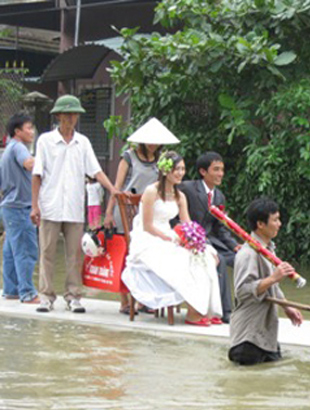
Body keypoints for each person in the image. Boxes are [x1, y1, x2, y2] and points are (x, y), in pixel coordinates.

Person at [31, 95, 120, 313]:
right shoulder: (45, 141)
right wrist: (35, 206)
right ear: (59, 116)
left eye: (75, 115)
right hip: (50, 205)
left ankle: (73, 296)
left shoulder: (83, 142)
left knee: (75, 254)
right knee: (47, 252)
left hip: (73, 207)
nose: (71, 119)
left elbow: (96, 170)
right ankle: (46, 296)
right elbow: (37, 174)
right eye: (68, 114)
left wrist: (113, 189)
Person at [121, 151, 222, 325]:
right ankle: (193, 312)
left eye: (183, 169)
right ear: (166, 171)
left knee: (205, 256)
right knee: (183, 259)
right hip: (148, 238)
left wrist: (194, 240)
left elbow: (187, 224)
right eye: (177, 169)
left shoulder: (180, 195)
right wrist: (170, 239)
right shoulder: (151, 191)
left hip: (170, 234)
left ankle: (202, 308)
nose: (181, 173)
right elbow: (147, 226)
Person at [103, 117, 177, 315]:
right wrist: (109, 213)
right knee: (126, 256)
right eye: (149, 140)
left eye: (156, 141)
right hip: (126, 211)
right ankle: (125, 301)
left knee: (149, 256)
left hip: (150, 214)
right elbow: (117, 187)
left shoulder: (162, 160)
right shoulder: (129, 157)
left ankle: (145, 299)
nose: (153, 144)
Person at [228, 197, 303, 365]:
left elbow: (272, 287)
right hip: (248, 336)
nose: (279, 224)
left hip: (265, 334)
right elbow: (242, 291)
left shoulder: (269, 249)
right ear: (260, 224)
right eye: (275, 220)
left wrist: (287, 307)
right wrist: (273, 277)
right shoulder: (247, 254)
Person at [178, 151, 241, 324]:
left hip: (212, 240)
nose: (220, 174)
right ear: (203, 171)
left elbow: (220, 228)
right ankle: (224, 311)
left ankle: (244, 309)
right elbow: (174, 215)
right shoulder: (187, 188)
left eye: (222, 170)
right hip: (189, 241)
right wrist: (187, 237)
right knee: (218, 259)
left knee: (241, 259)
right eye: (216, 169)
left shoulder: (219, 196)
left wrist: (235, 245)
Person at [0, 112, 39, 303]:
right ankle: (27, 292)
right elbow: (30, 164)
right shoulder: (19, 148)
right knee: (25, 249)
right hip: (19, 207)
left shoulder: (7, 150)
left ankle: (12, 289)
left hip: (8, 207)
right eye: (28, 128)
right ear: (17, 132)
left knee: (10, 251)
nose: (32, 132)